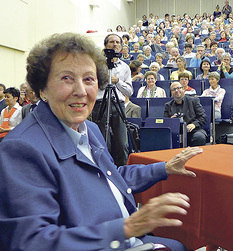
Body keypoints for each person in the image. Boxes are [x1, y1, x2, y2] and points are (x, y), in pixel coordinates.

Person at [0, 32, 202, 251]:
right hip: (107, 243)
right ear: (42, 89)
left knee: (180, 245)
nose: (81, 91)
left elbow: (111, 177)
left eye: (89, 79)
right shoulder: (21, 149)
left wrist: (164, 167)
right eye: (66, 78)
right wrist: (127, 227)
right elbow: (32, 242)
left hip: (128, 238)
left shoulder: (92, 130)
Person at [92, 34, 133, 167]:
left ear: (121, 46)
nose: (115, 44)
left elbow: (129, 92)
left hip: (118, 104)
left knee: (122, 143)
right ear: (106, 46)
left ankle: (123, 172)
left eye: (117, 42)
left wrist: (117, 81)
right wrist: (105, 79)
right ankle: (104, 171)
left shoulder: (125, 67)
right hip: (100, 104)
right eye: (111, 42)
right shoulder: (97, 65)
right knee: (103, 141)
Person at [164, 82, 207, 146]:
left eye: (178, 88)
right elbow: (165, 121)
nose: (176, 90)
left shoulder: (193, 101)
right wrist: (171, 121)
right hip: (176, 132)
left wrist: (193, 124)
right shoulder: (168, 105)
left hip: (193, 130)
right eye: (174, 89)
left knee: (199, 137)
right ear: (171, 92)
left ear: (183, 89)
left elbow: (203, 117)